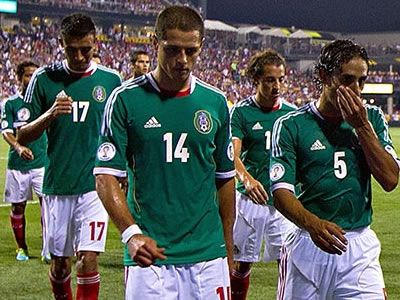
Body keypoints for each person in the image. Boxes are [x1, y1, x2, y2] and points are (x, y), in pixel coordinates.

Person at [94, 6, 235, 300]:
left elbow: (225, 180)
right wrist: (130, 234)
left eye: (191, 50)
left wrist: (227, 247)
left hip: (208, 255)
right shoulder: (125, 100)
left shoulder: (216, 102)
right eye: (172, 50)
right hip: (150, 253)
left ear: (201, 47)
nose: (182, 60)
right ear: (155, 43)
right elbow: (105, 177)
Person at [270, 39, 399, 299]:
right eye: (347, 79)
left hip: (358, 246)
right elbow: (280, 193)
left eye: (361, 80)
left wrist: (361, 127)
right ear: (323, 76)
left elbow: (390, 179)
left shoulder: (371, 118)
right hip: (308, 242)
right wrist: (313, 224)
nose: (356, 89)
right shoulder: (291, 125)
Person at [17, 13, 122, 300]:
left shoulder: (112, 80)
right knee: (61, 266)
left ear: (96, 43)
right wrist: (50, 114)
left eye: (85, 49)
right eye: (71, 49)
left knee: (88, 260)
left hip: (95, 186)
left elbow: (122, 133)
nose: (78, 56)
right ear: (61, 43)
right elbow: (22, 134)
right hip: (58, 185)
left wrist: (123, 172)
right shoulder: (44, 79)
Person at [229, 49, 296, 300]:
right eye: (270, 79)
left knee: (287, 261)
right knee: (243, 262)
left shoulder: (292, 113)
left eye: (280, 79)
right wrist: (247, 180)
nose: (276, 85)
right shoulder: (241, 112)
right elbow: (232, 155)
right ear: (256, 80)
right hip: (249, 200)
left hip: (283, 201)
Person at [1, 61, 50, 263]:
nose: (31, 80)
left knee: (47, 206)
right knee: (18, 207)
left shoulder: (45, 102)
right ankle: (21, 248)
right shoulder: (11, 103)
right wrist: (19, 147)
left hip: (41, 164)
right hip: (18, 166)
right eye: (28, 75)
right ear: (20, 77)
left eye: (34, 75)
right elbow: (6, 132)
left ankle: (47, 249)